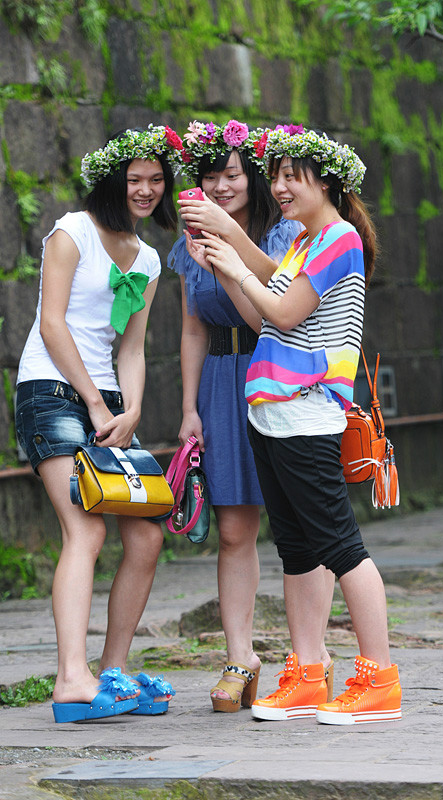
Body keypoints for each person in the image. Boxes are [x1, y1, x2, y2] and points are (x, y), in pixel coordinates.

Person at [190, 125, 402, 725]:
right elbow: (265, 305)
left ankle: (378, 676)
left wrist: (234, 258)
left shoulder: (338, 239)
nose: (278, 186)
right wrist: (227, 255)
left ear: (327, 180)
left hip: (308, 412)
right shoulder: (305, 243)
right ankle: (308, 674)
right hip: (274, 413)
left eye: (292, 175)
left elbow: (281, 312)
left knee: (340, 546)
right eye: (275, 175)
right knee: (298, 549)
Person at [15, 125, 181, 723]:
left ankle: (108, 670)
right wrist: (95, 401)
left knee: (148, 533)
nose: (144, 190)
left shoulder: (151, 258)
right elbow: (53, 325)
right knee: (86, 531)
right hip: (53, 392)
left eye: (155, 181)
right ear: (113, 177)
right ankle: (69, 679)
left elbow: (132, 347)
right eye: (134, 179)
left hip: (110, 406)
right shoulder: (71, 233)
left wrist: (131, 409)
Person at [169, 119, 335, 712]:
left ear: (253, 178)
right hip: (220, 379)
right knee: (236, 529)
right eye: (209, 176)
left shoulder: (289, 233)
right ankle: (241, 658)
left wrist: (229, 258)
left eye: (232, 174)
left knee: (307, 525)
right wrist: (188, 408)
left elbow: (274, 319)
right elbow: (193, 327)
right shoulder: (187, 241)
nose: (220, 187)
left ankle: (309, 659)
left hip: (280, 373)